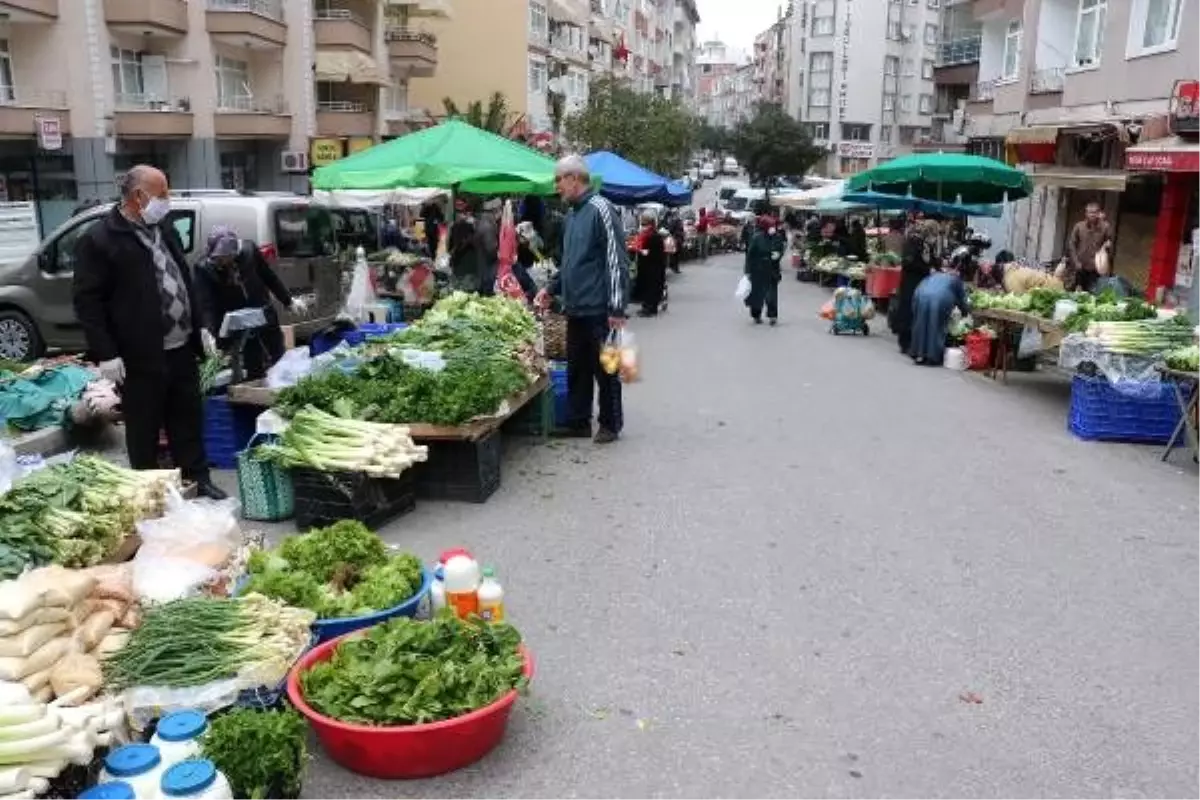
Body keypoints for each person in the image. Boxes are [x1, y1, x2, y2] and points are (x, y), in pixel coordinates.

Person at [72, 165, 226, 500]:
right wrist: (107, 352)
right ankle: (151, 493)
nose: (167, 201)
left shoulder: (162, 228)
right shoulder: (100, 239)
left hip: (181, 348)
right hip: (139, 355)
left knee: (187, 420)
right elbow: (88, 302)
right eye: (162, 194)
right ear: (139, 196)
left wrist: (201, 327)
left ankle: (198, 479)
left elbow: (184, 279)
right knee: (143, 428)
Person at [535, 155, 629, 444]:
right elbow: (570, 264)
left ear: (575, 178)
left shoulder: (601, 209)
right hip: (576, 308)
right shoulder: (573, 216)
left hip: (601, 308)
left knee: (607, 368)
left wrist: (617, 306)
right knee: (577, 367)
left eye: (559, 180)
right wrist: (550, 289)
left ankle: (610, 424)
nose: (556, 186)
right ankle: (578, 422)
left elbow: (616, 261)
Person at [193, 226, 307, 382]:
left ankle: (283, 387)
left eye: (223, 257)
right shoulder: (205, 268)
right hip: (238, 323)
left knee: (278, 356)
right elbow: (206, 304)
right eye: (216, 257)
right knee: (253, 364)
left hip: (263, 312)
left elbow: (268, 276)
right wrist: (208, 331)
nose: (219, 261)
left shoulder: (249, 251)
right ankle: (255, 395)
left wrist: (288, 300)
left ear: (233, 253)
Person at [891, 218, 939, 354]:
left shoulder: (927, 245)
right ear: (928, 232)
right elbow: (908, 262)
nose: (935, 237)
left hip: (922, 282)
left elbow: (932, 260)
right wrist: (927, 269)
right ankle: (905, 342)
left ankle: (914, 342)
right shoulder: (913, 241)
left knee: (917, 311)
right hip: (910, 282)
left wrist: (939, 267)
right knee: (908, 310)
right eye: (934, 233)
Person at [909, 265, 971, 365]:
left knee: (920, 324)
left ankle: (918, 354)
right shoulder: (956, 280)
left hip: (920, 295)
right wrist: (966, 312)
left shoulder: (934, 276)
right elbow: (962, 301)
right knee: (936, 326)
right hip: (939, 298)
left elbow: (920, 287)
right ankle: (932, 357)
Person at [744, 215, 784, 325]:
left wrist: (779, 255)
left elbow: (781, 248)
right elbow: (750, 255)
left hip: (772, 268)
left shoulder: (777, 237)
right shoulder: (757, 237)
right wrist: (747, 271)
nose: (773, 228)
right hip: (758, 269)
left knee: (771, 294)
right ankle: (756, 315)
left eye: (774, 226)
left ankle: (772, 316)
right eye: (771, 226)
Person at [1064, 201, 1112, 292]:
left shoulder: (1105, 227)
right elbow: (1072, 244)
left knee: (1092, 292)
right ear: (1086, 214)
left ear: (1098, 213)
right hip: (1080, 265)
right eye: (1090, 212)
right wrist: (1075, 261)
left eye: (1095, 212)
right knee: (1076, 291)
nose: (1092, 215)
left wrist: (1107, 246)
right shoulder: (1079, 226)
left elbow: (1109, 242)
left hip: (1095, 267)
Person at [634, 211, 666, 317]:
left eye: (644, 224)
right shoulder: (647, 234)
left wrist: (644, 251)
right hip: (647, 266)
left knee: (652, 288)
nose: (643, 226)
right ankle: (646, 306)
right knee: (646, 287)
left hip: (654, 267)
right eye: (642, 224)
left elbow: (654, 252)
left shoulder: (654, 236)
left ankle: (651, 309)